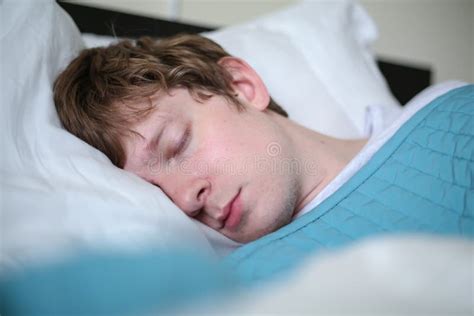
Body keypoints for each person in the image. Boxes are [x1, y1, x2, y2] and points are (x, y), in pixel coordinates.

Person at [53, 34, 368, 243]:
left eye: (177, 144)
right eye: (159, 194)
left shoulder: (417, 119)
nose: (186, 201)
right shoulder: (236, 293)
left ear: (240, 86)